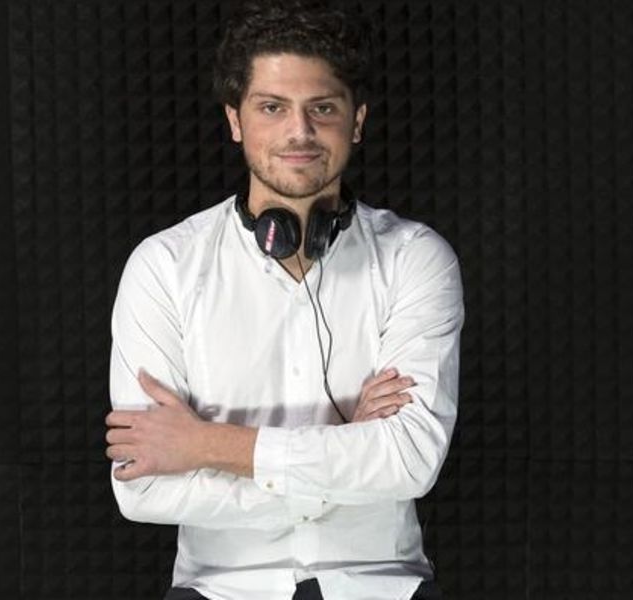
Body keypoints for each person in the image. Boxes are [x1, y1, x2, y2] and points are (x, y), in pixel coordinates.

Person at [105, 1, 464, 599]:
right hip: (219, 589)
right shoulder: (164, 267)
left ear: (357, 120)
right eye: (272, 107)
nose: (299, 131)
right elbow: (143, 490)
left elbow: (409, 462)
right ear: (236, 120)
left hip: (381, 586)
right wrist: (347, 454)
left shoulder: (415, 259)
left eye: (322, 108)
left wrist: (204, 446)